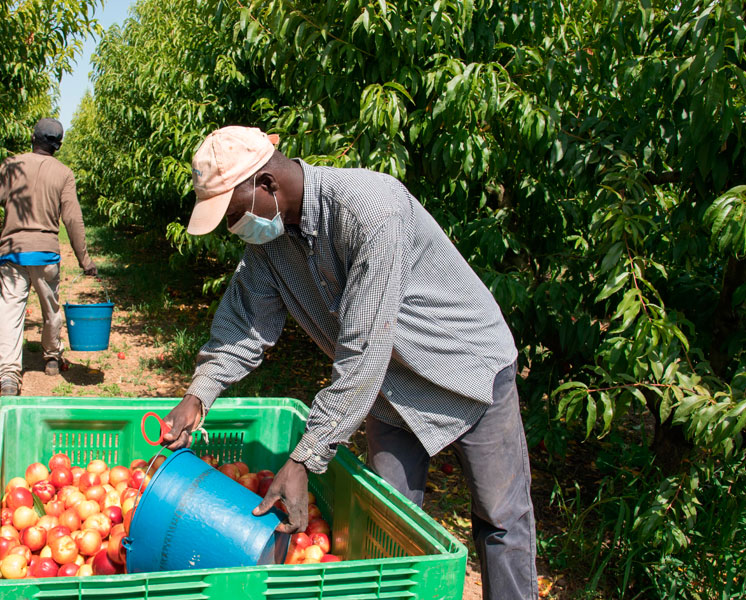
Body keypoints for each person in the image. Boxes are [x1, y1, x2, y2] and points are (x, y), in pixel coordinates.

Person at [161, 126, 537, 599]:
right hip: (385, 391)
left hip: (466, 370)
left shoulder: (369, 210)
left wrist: (303, 458)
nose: (236, 229)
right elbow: (245, 325)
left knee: (501, 520)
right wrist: (199, 394)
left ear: (267, 186)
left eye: (235, 214)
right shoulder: (270, 245)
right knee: (389, 523)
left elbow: (364, 349)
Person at [0, 118, 97, 396]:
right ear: (58, 146)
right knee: (51, 308)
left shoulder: (11, 165)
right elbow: (73, 219)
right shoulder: (63, 173)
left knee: (11, 311)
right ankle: (51, 356)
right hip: (45, 253)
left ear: (32, 138)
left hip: (12, 252)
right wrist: (85, 260)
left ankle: (9, 377)